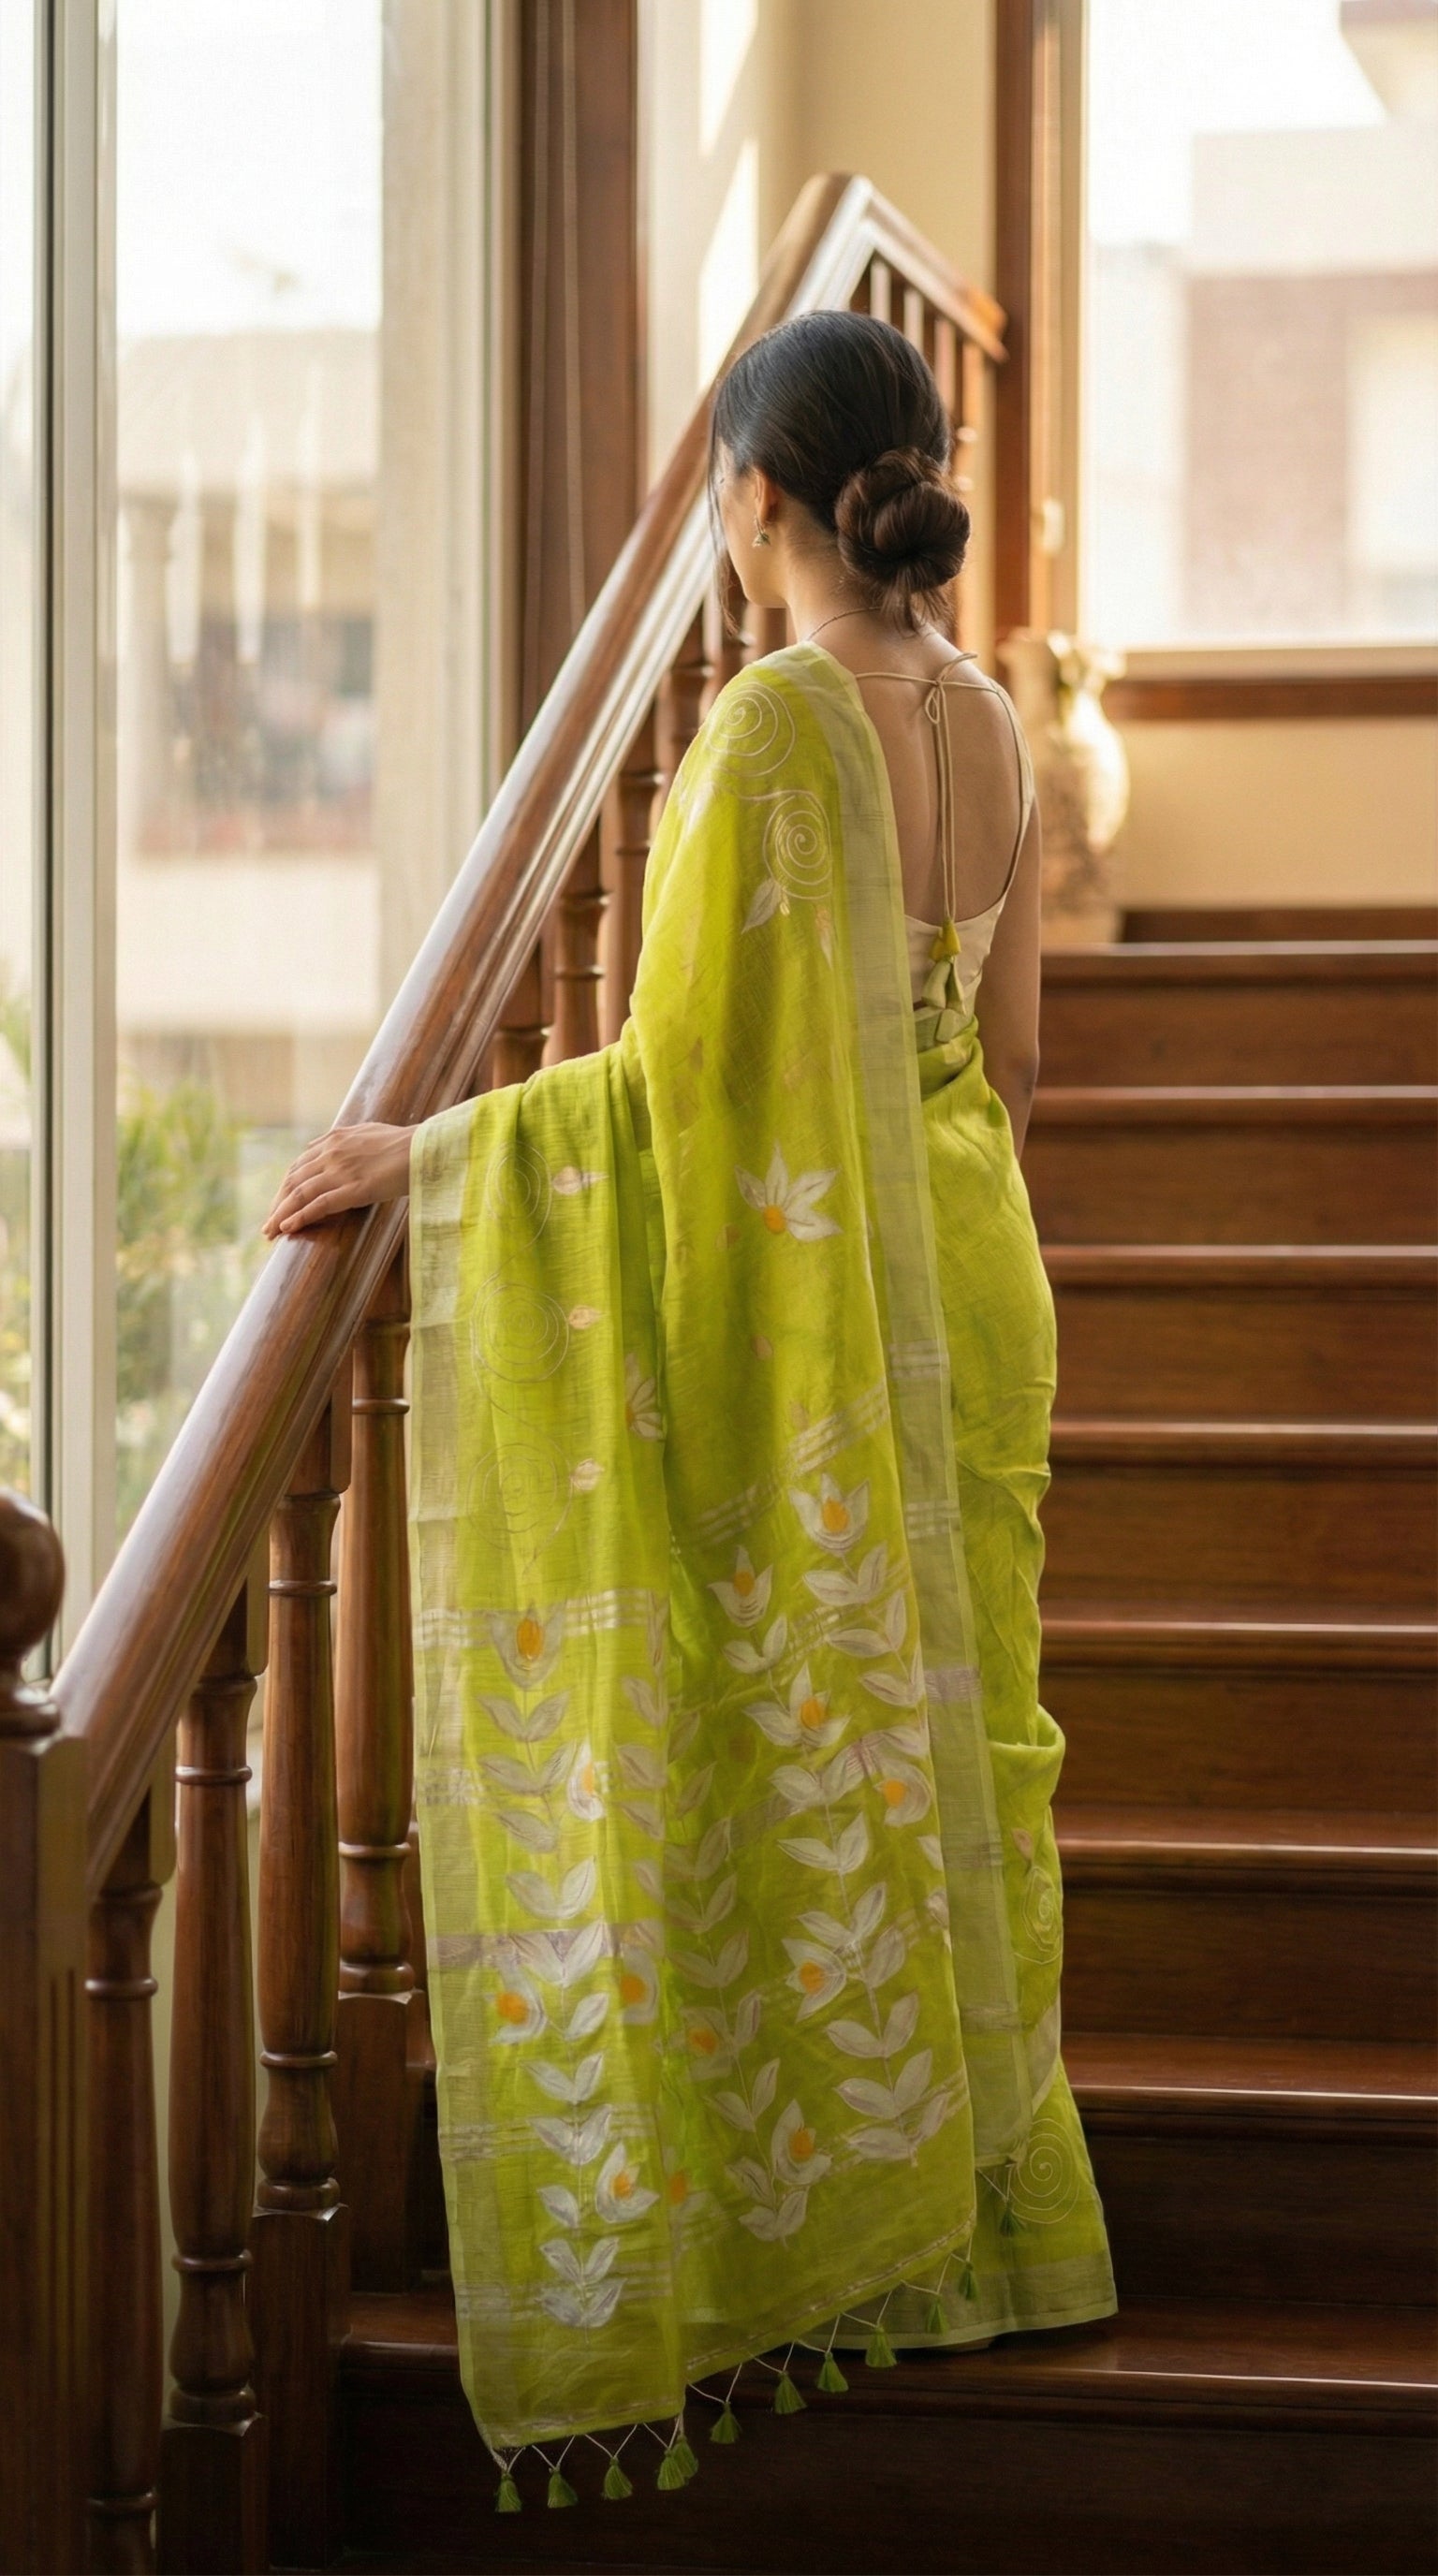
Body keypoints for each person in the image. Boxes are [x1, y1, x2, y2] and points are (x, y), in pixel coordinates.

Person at [266, 310, 1115, 2512]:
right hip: (976, 1284)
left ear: (751, 502)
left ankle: (808, 2210)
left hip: (833, 1293)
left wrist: (433, 1156)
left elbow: (676, 1091)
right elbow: (1009, 1069)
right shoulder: (1000, 731)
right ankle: (987, 2230)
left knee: (810, 1730)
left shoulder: (763, 732)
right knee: (958, 1747)